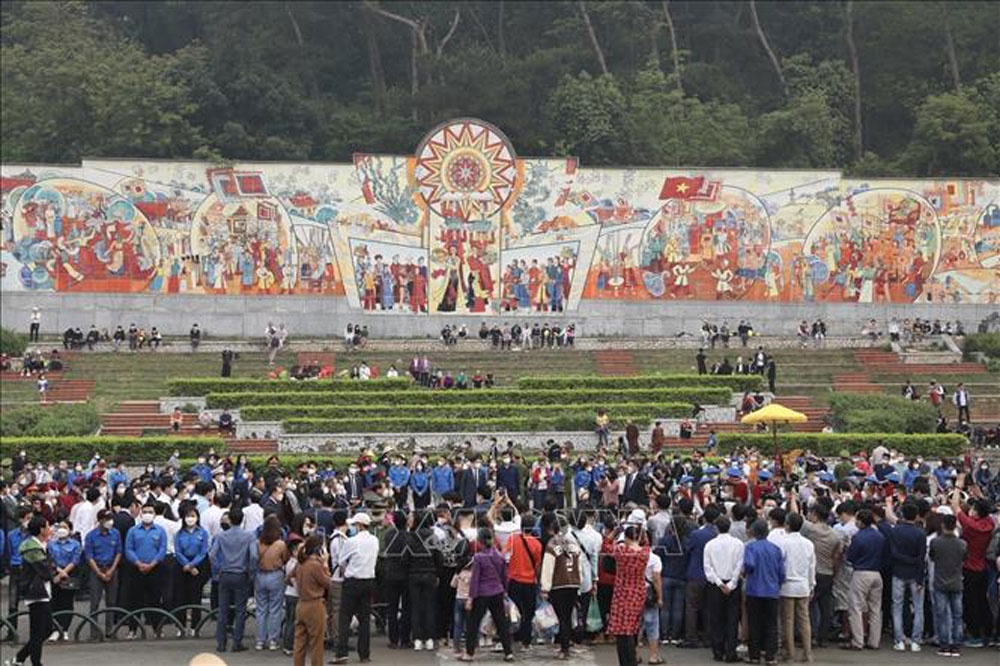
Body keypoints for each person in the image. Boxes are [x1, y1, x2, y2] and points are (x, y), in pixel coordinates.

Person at [331, 512, 379, 665]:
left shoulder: (351, 541)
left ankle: (341, 653)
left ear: (358, 525)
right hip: (369, 580)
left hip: (353, 581)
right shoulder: (374, 540)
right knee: (365, 619)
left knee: (344, 617)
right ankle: (364, 653)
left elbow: (341, 561)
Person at [460, 527, 514, 662]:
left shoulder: (478, 558)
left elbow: (475, 579)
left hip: (482, 594)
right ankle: (508, 652)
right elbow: (504, 576)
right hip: (497, 592)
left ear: (480, 542)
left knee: (473, 623)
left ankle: (469, 653)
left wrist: (470, 597)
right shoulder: (500, 556)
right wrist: (504, 590)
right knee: (501, 623)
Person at [210, 506, 258, 653]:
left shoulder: (221, 536)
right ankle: (237, 642)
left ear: (229, 520)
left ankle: (221, 643)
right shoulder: (249, 536)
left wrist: (218, 568)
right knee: (240, 610)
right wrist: (251, 571)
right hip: (241, 574)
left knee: (223, 609)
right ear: (242, 520)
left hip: (225, 573)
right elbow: (254, 555)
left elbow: (212, 555)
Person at [885, 499, 926, 651]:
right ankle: (916, 641)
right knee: (918, 607)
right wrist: (920, 576)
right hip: (915, 573)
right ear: (916, 516)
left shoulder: (895, 531)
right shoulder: (920, 533)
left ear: (902, 514)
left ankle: (899, 640)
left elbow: (892, 552)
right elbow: (921, 558)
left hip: (898, 571)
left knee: (897, 606)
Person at [742, 518, 783, 666]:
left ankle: (754, 655)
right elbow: (781, 572)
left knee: (754, 623)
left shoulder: (751, 548)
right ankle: (770, 656)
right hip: (772, 591)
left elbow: (749, 564)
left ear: (754, 532)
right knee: (771, 624)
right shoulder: (775, 549)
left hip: (754, 590)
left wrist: (746, 572)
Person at [703, 515, 744, 662]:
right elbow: (739, 566)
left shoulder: (710, 545)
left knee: (716, 618)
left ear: (716, 528)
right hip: (732, 584)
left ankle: (718, 651)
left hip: (715, 585)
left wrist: (719, 583)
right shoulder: (738, 544)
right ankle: (731, 651)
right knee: (732, 619)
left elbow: (708, 568)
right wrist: (732, 583)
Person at [540, 519, 582, 660]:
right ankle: (566, 645)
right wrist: (579, 582)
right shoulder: (573, 544)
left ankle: (564, 648)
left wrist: (545, 588)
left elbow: (548, 567)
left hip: (559, 584)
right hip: (573, 584)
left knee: (562, 617)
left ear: (551, 530)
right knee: (568, 616)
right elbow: (579, 565)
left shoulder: (552, 545)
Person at [608, 523, 649, 666]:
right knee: (632, 628)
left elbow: (606, 545)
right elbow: (647, 542)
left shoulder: (621, 551)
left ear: (625, 537)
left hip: (622, 592)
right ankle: (632, 661)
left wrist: (614, 532)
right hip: (638, 591)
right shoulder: (645, 553)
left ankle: (626, 662)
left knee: (622, 630)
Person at [125, 503, 168, 639]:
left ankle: (157, 629)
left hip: (155, 569)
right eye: (145, 511)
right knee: (134, 600)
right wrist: (138, 563)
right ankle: (132, 630)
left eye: (150, 511)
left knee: (155, 600)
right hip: (136, 569)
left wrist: (152, 564)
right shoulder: (133, 530)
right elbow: (129, 549)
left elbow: (162, 549)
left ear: (155, 514)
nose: (147, 514)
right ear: (141, 514)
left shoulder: (160, 531)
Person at [844, 508, 884, 650]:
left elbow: (850, 557)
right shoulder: (879, 536)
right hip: (876, 573)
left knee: (855, 607)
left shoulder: (858, 537)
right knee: (875, 608)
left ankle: (857, 641)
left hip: (861, 572)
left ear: (860, 522)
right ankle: (874, 641)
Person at [14, 515, 52, 666]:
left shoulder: (41, 545)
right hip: (36, 593)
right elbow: (45, 570)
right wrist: (54, 572)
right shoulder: (31, 547)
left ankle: (20, 657)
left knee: (47, 629)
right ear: (41, 529)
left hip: (44, 592)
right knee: (37, 631)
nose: (50, 529)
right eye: (48, 526)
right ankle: (35, 662)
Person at [929, 513, 967, 657]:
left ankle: (944, 644)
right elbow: (964, 558)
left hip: (940, 581)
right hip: (957, 582)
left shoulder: (935, 542)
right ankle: (956, 645)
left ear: (943, 525)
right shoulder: (962, 544)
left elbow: (932, 557)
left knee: (942, 614)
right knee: (957, 615)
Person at [778, 512, 815, 662]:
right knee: (804, 620)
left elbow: (780, 565)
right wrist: (812, 585)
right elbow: (812, 566)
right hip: (803, 584)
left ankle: (790, 652)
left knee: (788, 620)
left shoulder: (783, 543)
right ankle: (808, 652)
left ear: (787, 525)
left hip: (787, 585)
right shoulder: (808, 543)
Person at [404, 509, 441, 650]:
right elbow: (439, 557)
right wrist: (437, 573)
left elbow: (405, 558)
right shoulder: (433, 537)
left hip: (413, 574)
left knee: (416, 607)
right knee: (430, 606)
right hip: (430, 574)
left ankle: (418, 639)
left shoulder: (410, 537)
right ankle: (430, 638)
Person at [291, 534, 331, 666]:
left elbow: (288, 578)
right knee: (316, 643)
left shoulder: (301, 563)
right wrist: (325, 564)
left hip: (301, 603)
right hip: (314, 605)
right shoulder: (315, 565)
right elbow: (327, 583)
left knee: (299, 643)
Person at [84, 509, 123, 639]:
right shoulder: (91, 536)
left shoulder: (115, 533)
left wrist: (112, 570)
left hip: (112, 568)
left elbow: (118, 552)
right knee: (94, 602)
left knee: (111, 602)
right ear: (100, 520)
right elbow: (89, 557)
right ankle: (94, 632)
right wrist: (98, 572)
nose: (110, 522)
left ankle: (110, 630)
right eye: (107, 519)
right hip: (97, 569)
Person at [256, 515, 290, 650]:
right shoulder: (281, 544)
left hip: (260, 575)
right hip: (276, 575)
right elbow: (286, 559)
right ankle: (272, 640)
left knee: (261, 609)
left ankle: (260, 640)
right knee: (275, 609)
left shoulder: (258, 543)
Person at [174, 506, 210, 637]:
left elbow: (203, 551)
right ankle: (181, 626)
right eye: (188, 516)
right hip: (182, 567)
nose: (190, 518)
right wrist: (186, 565)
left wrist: (193, 565)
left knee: (195, 597)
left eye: (193, 516)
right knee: (181, 598)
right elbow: (177, 551)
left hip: (197, 567)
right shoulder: (179, 533)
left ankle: (195, 626)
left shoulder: (202, 533)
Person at [48, 519, 82, 641]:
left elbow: (75, 560)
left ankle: (65, 629)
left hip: (69, 575)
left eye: (65, 527)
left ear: (70, 530)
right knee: (54, 603)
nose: (62, 529)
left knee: (67, 603)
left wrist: (64, 572)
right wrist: (58, 571)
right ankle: (55, 629)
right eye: (60, 527)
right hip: (55, 574)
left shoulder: (75, 544)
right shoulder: (51, 543)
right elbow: (49, 559)